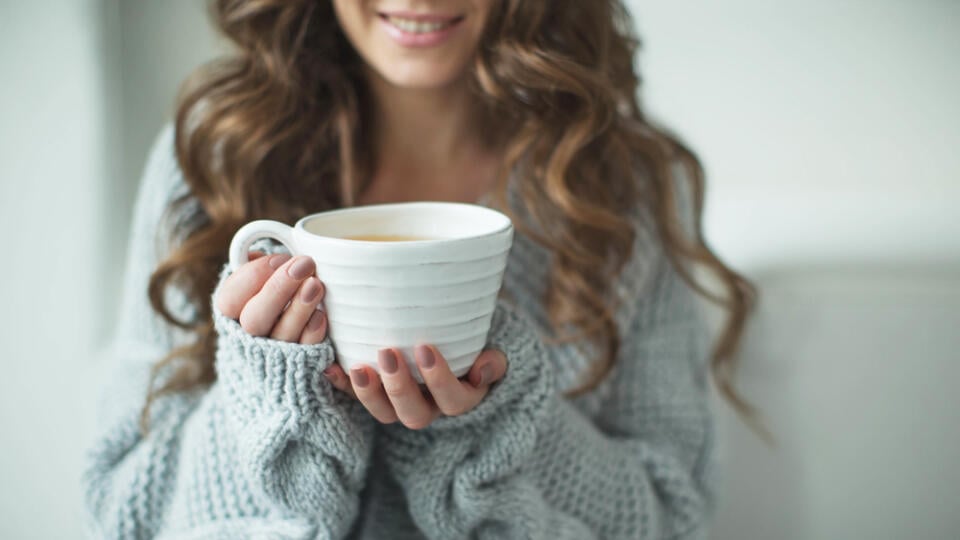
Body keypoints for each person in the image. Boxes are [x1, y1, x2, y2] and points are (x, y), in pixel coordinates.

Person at [83, 1, 754, 538]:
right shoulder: (210, 158)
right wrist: (267, 401)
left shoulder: (622, 185)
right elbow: (126, 512)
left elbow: (672, 513)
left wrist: (504, 423)